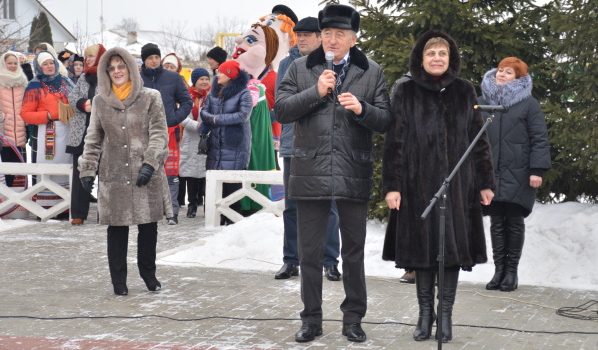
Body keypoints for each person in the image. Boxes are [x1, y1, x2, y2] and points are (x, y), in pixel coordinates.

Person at [276, 4, 392, 343]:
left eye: (340, 34)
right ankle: (311, 319)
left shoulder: (371, 71)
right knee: (309, 251)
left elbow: (386, 120)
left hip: (352, 169)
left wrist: (363, 109)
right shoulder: (299, 68)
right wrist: (316, 92)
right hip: (309, 169)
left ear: (353, 39)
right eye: (327, 33)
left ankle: (353, 318)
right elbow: (281, 110)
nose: (332, 39)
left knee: (353, 251)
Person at [382, 31, 495, 343]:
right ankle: (424, 314)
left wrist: (486, 182)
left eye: (442, 54)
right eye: (431, 54)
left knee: (450, 251)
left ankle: (445, 314)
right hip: (416, 185)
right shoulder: (405, 91)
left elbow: (479, 140)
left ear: (450, 59)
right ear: (421, 58)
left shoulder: (464, 91)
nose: (436, 59)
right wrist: (392, 186)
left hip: (458, 186)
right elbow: (394, 142)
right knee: (422, 252)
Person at [78, 47, 171, 296]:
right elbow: (94, 136)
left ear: (130, 68)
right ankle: (118, 280)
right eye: (112, 68)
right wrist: (88, 168)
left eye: (121, 66)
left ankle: (148, 274)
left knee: (148, 226)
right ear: (105, 72)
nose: (117, 71)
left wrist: (150, 163)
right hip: (114, 171)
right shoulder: (100, 100)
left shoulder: (151, 96)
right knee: (117, 228)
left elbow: (160, 133)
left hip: (145, 172)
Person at [274, 16, 341, 282]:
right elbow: (282, 104)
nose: (301, 39)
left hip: (327, 147)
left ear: (320, 38)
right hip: (294, 145)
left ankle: (330, 261)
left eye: (307, 35)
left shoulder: (334, 63)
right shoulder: (287, 64)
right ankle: (291, 260)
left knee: (330, 206)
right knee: (292, 206)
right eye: (298, 35)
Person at [479, 57, 550, 292]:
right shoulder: (483, 102)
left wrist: (537, 170)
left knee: (514, 221)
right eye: (500, 70)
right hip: (491, 173)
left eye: (508, 72)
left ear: (519, 78)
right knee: (496, 222)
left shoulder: (529, 104)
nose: (501, 74)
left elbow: (539, 138)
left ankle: (511, 272)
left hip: (519, 172)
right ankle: (498, 271)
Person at [140, 43, 192, 225]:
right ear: (144, 60)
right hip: (143, 133)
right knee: (146, 170)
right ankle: (147, 211)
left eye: (156, 57)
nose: (153, 61)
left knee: (170, 174)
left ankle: (172, 212)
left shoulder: (173, 78)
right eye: (149, 58)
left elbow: (187, 101)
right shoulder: (137, 79)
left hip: (168, 131)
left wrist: (174, 118)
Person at [20, 50, 75, 216]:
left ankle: (64, 206)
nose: (49, 66)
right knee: (48, 167)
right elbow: (25, 114)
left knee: (65, 167)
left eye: (51, 63)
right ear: (39, 67)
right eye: (45, 64)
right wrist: (48, 115)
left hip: (66, 130)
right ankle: (45, 207)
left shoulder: (66, 82)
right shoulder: (34, 86)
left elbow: (76, 102)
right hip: (47, 132)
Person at [200, 60, 252, 224]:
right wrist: (211, 121)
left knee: (232, 188)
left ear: (230, 75)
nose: (217, 74)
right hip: (215, 146)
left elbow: (243, 116)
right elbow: (204, 112)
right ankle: (214, 224)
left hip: (235, 146)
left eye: (221, 72)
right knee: (214, 189)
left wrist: (216, 119)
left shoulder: (244, 93)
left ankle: (232, 226)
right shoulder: (213, 93)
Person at [66, 44, 107, 225]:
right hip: (82, 133)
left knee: (104, 173)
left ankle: (104, 213)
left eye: (91, 56)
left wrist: (97, 104)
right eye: (86, 57)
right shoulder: (84, 77)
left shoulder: (108, 76)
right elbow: (72, 98)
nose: (87, 60)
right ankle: (78, 214)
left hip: (103, 132)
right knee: (80, 172)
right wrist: (83, 103)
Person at [179, 68, 210, 218]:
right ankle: (192, 205)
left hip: (208, 139)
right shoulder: (188, 97)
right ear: (195, 81)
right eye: (201, 79)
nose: (204, 82)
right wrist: (198, 126)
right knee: (191, 174)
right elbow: (181, 117)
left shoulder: (213, 96)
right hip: (191, 140)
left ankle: (207, 206)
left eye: (206, 78)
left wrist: (208, 127)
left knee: (207, 174)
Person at [0, 51, 28, 186]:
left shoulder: (23, 81)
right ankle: (5, 197)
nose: (12, 66)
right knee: (6, 167)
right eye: (9, 63)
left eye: (15, 63)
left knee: (20, 167)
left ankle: (19, 198)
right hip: (4, 131)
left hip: (21, 131)